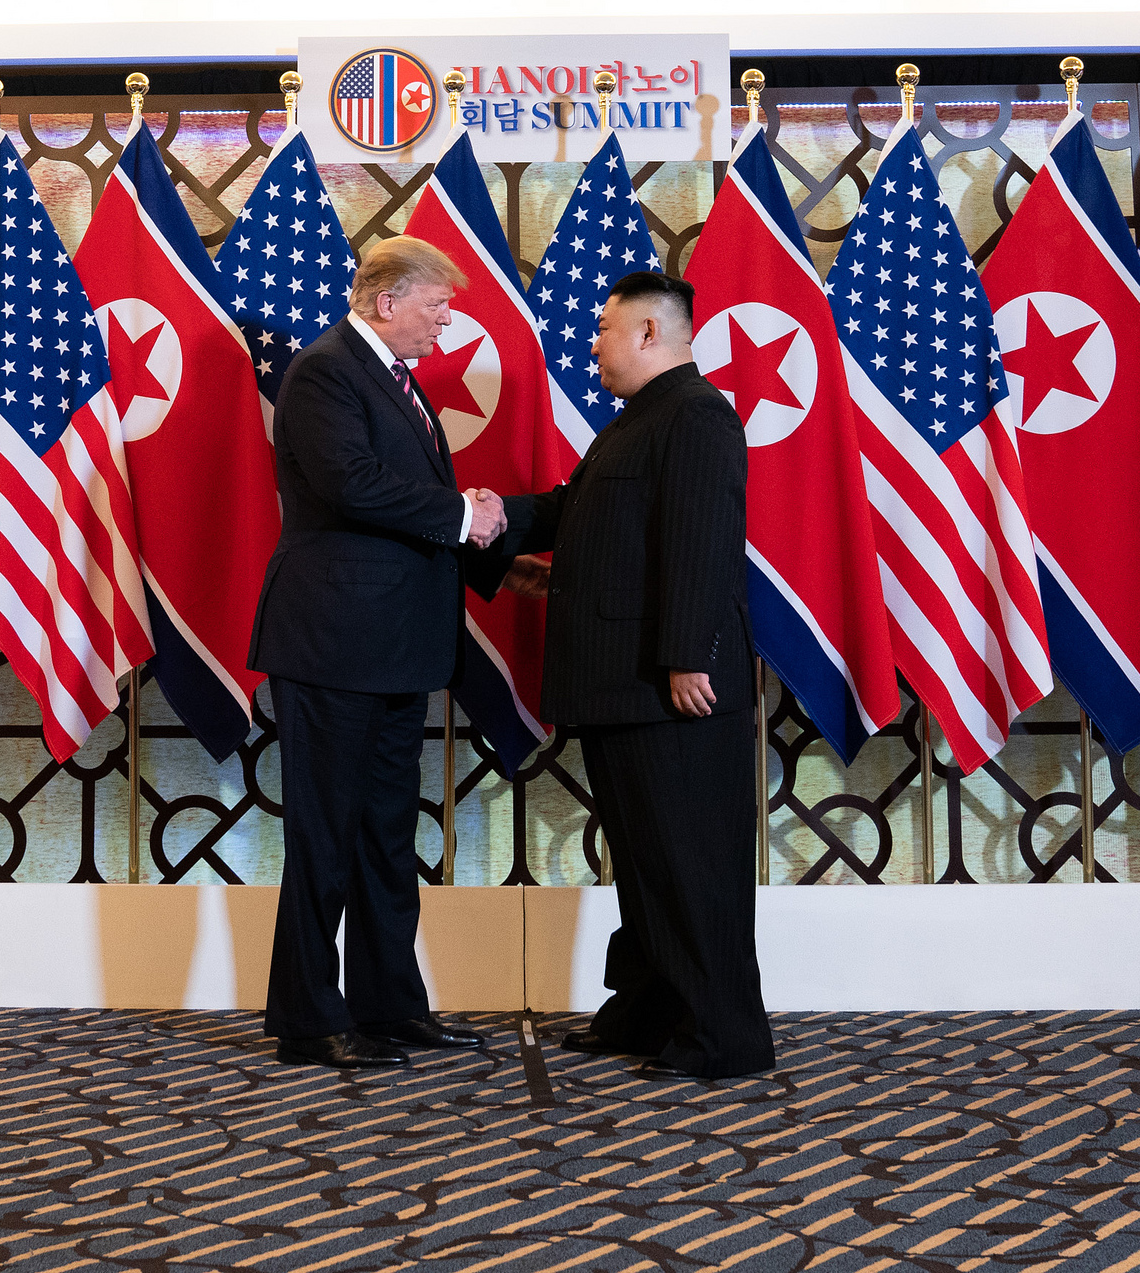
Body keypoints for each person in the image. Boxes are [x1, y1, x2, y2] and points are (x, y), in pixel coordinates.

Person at [491, 270, 774, 1080]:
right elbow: (584, 515)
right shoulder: (640, 420)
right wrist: (492, 520)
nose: (594, 342)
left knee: (688, 862)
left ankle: (724, 1037)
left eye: (606, 328)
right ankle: (651, 1013)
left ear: (650, 333)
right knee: (649, 861)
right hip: (623, 684)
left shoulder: (695, 414)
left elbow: (703, 539)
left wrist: (689, 653)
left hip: (669, 687)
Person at [248, 235, 509, 1070]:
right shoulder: (324, 371)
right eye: (439, 304)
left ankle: (391, 1005)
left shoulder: (397, 382)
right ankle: (308, 1018)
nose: (446, 321)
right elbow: (351, 484)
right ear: (388, 300)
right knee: (326, 836)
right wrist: (463, 516)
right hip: (333, 644)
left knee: (386, 837)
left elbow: (401, 501)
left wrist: (490, 545)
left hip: (393, 648)